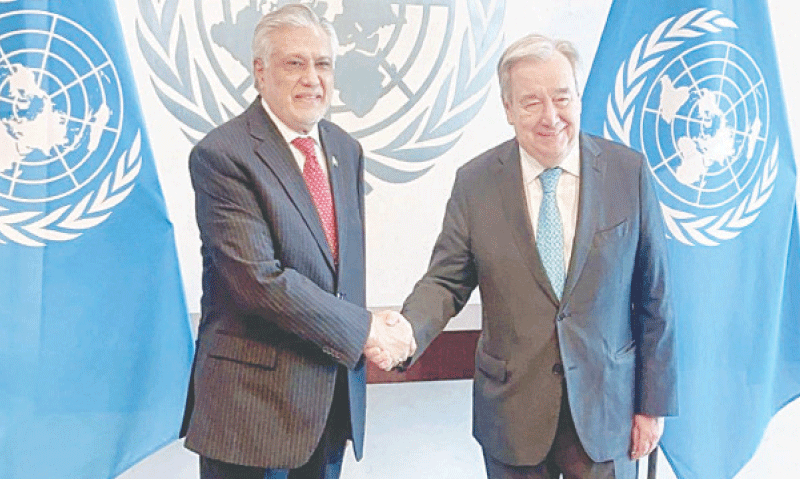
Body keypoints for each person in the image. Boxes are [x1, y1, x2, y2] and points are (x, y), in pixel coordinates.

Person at [399, 33, 677, 479]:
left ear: (578, 96)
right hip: (512, 416)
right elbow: (445, 282)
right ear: (508, 110)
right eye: (531, 102)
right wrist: (407, 329)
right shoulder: (475, 185)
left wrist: (652, 405)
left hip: (607, 413)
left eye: (562, 98)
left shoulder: (629, 173)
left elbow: (654, 298)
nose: (551, 117)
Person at [179, 4, 415, 478]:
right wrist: (365, 329)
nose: (312, 78)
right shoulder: (223, 155)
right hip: (251, 415)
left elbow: (338, 274)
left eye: (323, 63)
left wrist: (376, 330)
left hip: (328, 406)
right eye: (295, 63)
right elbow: (259, 282)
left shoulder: (345, 150)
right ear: (260, 72)